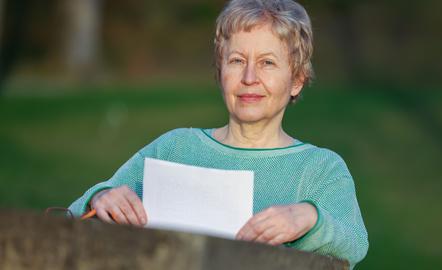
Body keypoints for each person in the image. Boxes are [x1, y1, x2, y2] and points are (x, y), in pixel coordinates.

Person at [69, 0, 368, 268]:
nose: (249, 78)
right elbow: (71, 218)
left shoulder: (320, 169)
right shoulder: (174, 149)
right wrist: (100, 199)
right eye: (237, 61)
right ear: (220, 71)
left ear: (297, 81)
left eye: (267, 63)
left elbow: (353, 245)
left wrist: (309, 218)